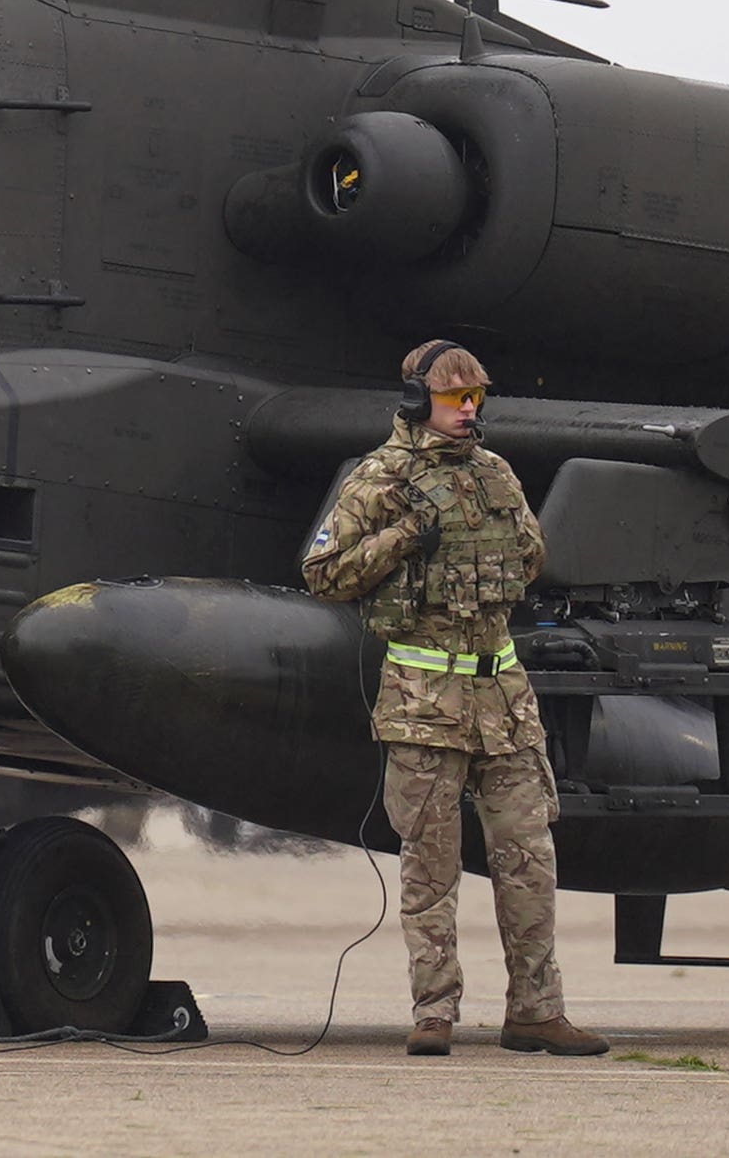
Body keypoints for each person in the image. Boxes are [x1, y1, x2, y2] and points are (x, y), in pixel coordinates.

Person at [299, 343, 601, 1059]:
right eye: (453, 397)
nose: (468, 408)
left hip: (503, 697)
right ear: (414, 401)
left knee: (528, 857)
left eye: (475, 396)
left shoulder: (494, 472)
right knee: (428, 865)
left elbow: (529, 553)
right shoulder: (381, 479)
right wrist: (403, 538)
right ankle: (433, 1010)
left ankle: (536, 1009)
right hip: (424, 701)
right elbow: (322, 571)